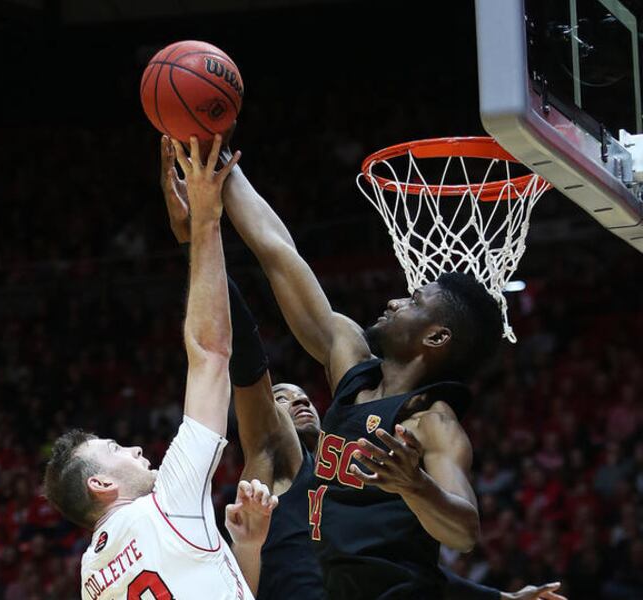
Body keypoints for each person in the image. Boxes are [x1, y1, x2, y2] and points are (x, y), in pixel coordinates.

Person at [159, 135, 565, 600]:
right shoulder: (351, 365)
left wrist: (416, 485)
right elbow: (279, 254)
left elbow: (464, 532)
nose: (394, 301)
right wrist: (219, 154)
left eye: (414, 302)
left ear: (436, 337)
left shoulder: (431, 422)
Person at [42, 136, 276, 600]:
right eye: (115, 448)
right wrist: (204, 221)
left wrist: (247, 549)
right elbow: (210, 353)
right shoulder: (168, 503)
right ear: (101, 483)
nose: (133, 448)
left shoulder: (91, 578)